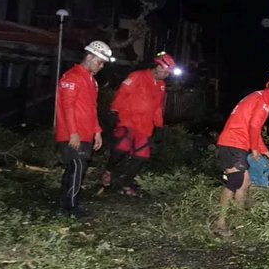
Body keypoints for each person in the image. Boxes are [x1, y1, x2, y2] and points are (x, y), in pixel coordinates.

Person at [212, 74, 269, 237]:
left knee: (245, 182)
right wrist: (255, 150)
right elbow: (254, 126)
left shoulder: (259, 96)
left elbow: (254, 132)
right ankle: (219, 224)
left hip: (236, 143)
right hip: (233, 143)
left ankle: (239, 222)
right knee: (235, 182)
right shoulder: (265, 100)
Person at [102, 51, 181, 196]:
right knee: (121, 149)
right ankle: (108, 171)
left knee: (141, 156)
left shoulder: (161, 85)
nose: (167, 75)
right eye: (166, 72)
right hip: (128, 121)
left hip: (144, 126)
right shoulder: (137, 76)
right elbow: (122, 93)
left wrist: (158, 124)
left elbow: (158, 106)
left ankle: (125, 183)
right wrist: (114, 111)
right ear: (158, 68)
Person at [55, 40, 114, 218]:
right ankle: (71, 208)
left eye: (103, 63)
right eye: (99, 61)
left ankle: (65, 203)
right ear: (89, 57)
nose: (101, 66)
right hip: (72, 134)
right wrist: (73, 132)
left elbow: (92, 108)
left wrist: (97, 132)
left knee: (75, 168)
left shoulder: (92, 81)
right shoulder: (72, 77)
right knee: (78, 167)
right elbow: (67, 107)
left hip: (86, 133)